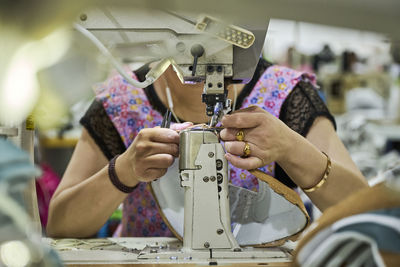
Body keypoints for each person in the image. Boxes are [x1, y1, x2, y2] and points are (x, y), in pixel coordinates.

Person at [47, 59, 368, 238]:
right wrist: (124, 170)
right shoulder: (122, 100)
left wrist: (291, 149)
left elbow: (366, 211)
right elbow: (60, 226)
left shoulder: (285, 94)